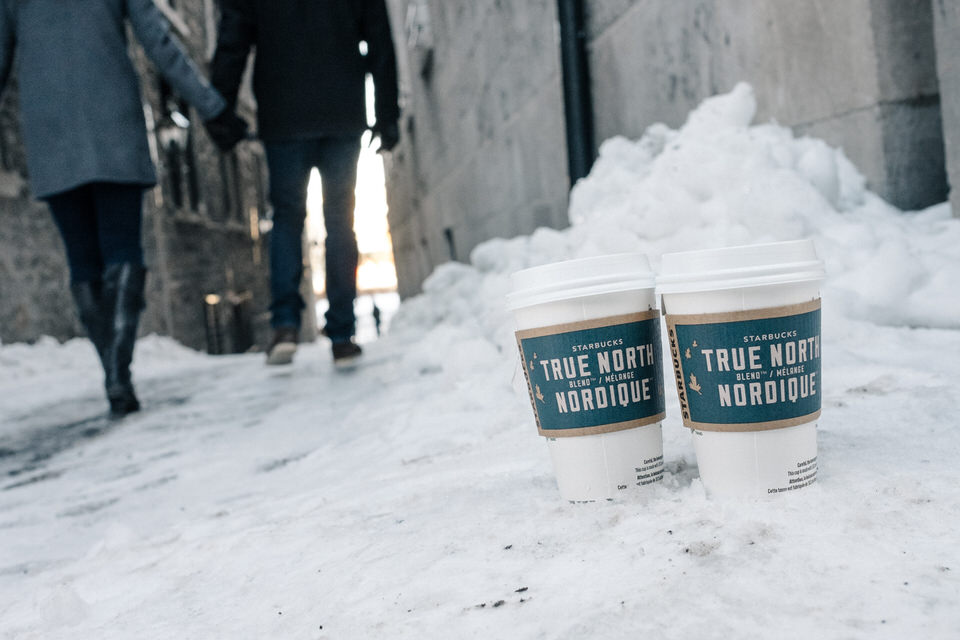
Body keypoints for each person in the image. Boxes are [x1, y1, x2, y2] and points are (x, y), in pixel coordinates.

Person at [0, 0, 245, 417]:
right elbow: (159, 42)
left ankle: (112, 370)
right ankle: (119, 371)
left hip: (50, 134)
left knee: (84, 261)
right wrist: (211, 107)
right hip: (113, 123)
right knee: (122, 250)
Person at [207, 0, 400, 367]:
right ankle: (342, 334)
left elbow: (234, 38)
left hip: (283, 111)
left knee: (286, 217)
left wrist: (221, 109)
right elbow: (378, 36)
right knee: (341, 219)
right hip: (342, 106)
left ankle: (284, 325)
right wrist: (387, 112)